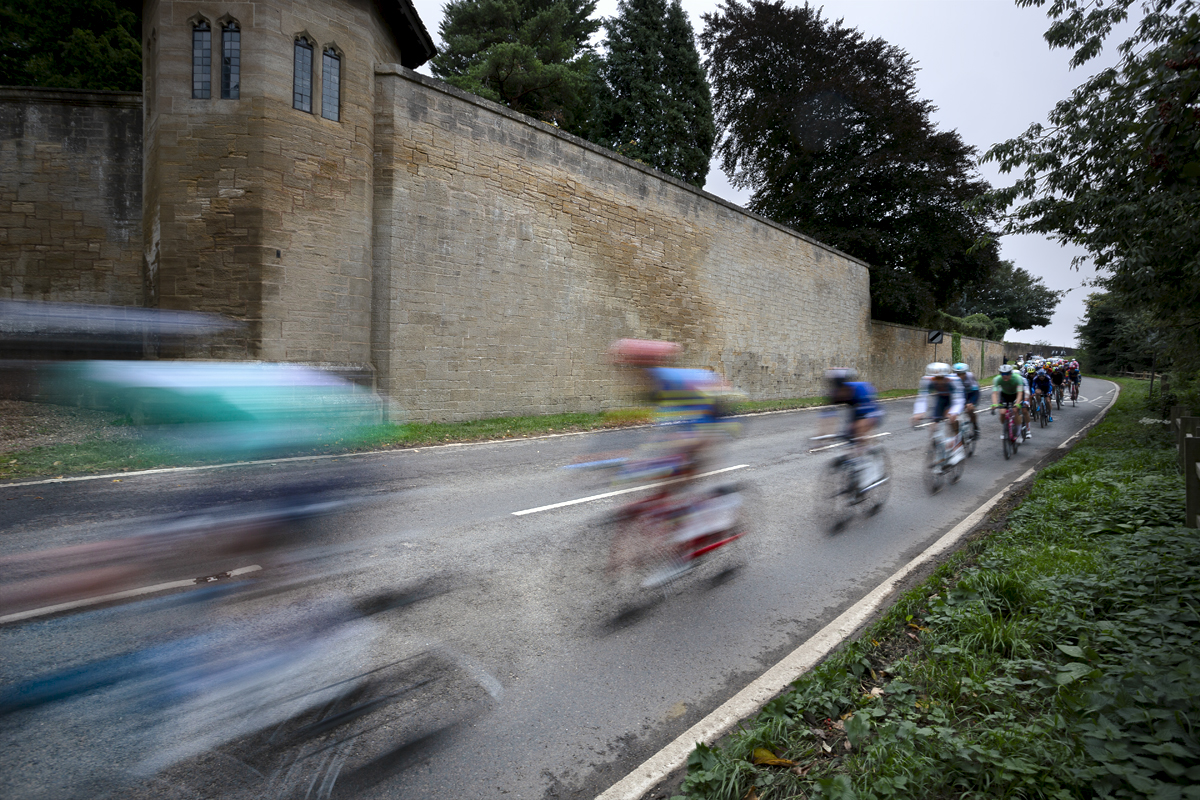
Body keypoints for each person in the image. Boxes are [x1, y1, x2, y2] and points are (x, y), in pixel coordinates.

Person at [820, 368, 885, 490]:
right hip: (855, 410)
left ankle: (872, 466)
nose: (838, 392)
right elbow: (827, 416)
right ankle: (855, 467)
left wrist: (859, 434)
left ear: (845, 385)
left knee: (859, 432)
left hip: (871, 409)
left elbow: (866, 420)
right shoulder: (835, 393)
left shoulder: (860, 389)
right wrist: (822, 436)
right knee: (850, 437)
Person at [912, 362, 965, 467]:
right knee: (934, 426)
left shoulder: (954, 381)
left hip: (952, 399)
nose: (938, 381)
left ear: (946, 376)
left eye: (941, 378)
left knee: (953, 420)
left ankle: (958, 447)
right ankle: (939, 452)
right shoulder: (927, 380)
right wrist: (918, 413)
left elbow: (959, 400)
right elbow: (922, 398)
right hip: (941, 399)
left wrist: (954, 412)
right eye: (935, 378)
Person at [992, 363, 1030, 438]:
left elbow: (1020, 393)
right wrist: (994, 404)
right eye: (1003, 374)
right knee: (1002, 412)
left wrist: (1017, 404)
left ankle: (1018, 434)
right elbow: (994, 393)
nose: (1005, 376)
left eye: (1007, 374)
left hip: (1016, 394)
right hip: (1005, 395)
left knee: (1015, 411)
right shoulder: (997, 379)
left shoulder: (1017, 378)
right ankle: (1005, 429)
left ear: (1011, 373)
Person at [952, 362, 980, 440]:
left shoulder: (970, 376)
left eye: (961, 374)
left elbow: (976, 392)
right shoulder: (952, 378)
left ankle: (975, 427)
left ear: (965, 373)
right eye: (957, 374)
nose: (959, 376)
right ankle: (957, 436)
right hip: (960, 395)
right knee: (953, 415)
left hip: (971, 394)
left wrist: (971, 403)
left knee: (970, 409)